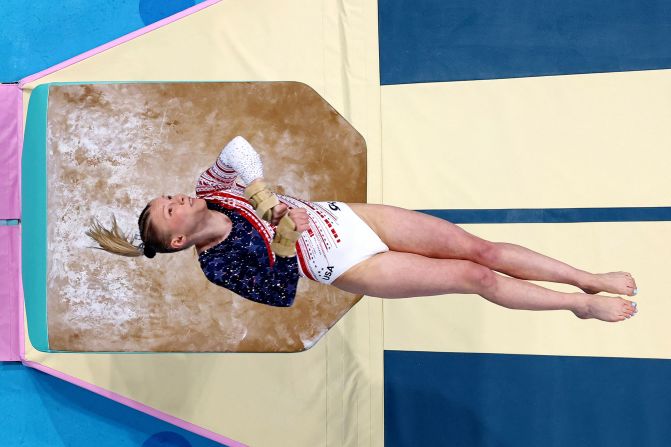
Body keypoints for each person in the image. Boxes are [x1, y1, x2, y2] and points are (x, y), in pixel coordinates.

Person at [88, 136, 638, 322]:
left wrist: (260, 198)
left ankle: (588, 277)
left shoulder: (212, 189)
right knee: (477, 277)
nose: (177, 197)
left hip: (345, 217)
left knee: (481, 246)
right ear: (178, 239)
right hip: (346, 264)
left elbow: (237, 149)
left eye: (167, 196)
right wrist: (282, 235)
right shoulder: (217, 265)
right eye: (168, 210)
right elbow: (282, 291)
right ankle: (577, 306)